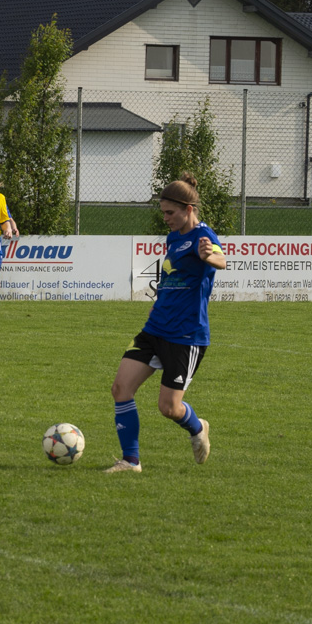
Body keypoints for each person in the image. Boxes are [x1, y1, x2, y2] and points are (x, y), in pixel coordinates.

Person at [105, 173, 223, 473]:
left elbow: (221, 260)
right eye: (163, 212)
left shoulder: (204, 237)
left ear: (188, 209)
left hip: (185, 335)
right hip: (155, 328)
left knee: (169, 408)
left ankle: (198, 427)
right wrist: (159, 301)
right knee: (120, 388)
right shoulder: (174, 237)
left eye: (170, 213)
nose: (166, 218)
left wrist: (210, 256)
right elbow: (170, 276)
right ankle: (131, 461)